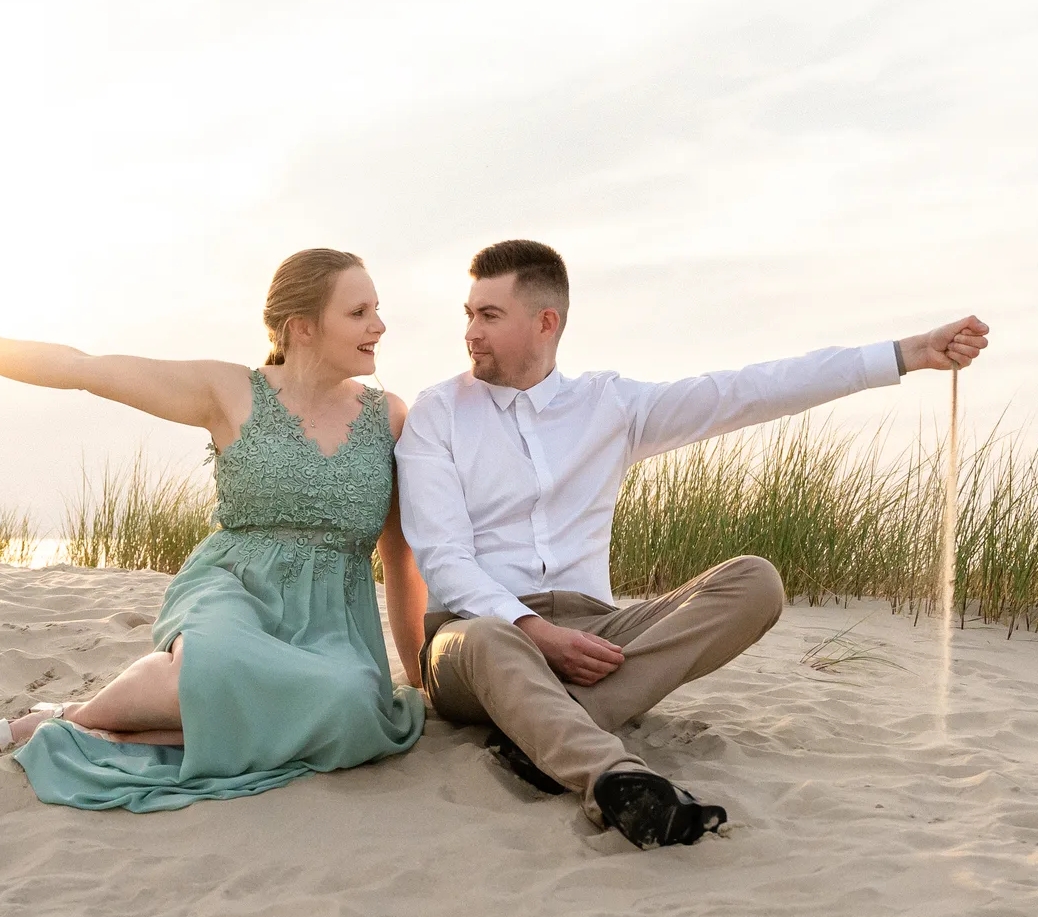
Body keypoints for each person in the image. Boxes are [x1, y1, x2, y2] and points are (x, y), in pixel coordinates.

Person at [396, 240, 988, 850]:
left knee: (755, 580)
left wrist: (907, 354)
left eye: (488, 315)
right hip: (473, 642)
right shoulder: (438, 413)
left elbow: (747, 389)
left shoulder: (610, 404)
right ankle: (612, 775)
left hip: (596, 632)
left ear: (545, 322)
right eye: (469, 313)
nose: (471, 332)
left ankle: (545, 731)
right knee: (497, 634)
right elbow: (444, 560)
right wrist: (537, 632)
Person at [0, 249, 425, 812]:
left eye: (377, 309)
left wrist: (416, 676)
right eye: (359, 311)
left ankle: (88, 726)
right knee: (215, 663)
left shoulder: (388, 417)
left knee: (352, 703)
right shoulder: (228, 391)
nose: (379, 325)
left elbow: (399, 556)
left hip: (330, 624)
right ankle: (74, 720)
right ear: (303, 327)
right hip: (233, 590)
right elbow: (84, 368)